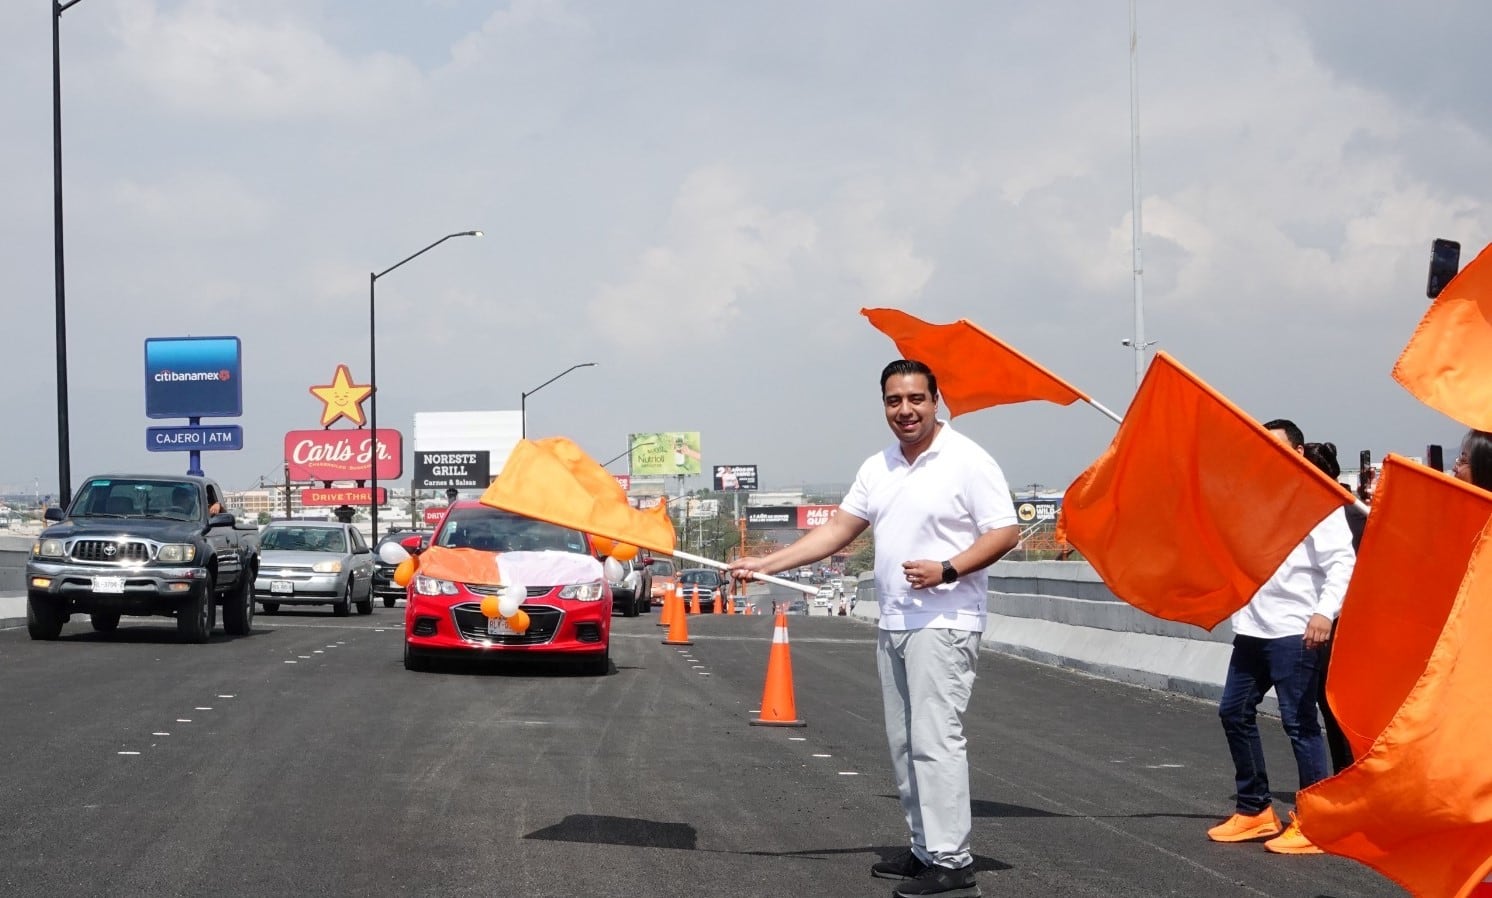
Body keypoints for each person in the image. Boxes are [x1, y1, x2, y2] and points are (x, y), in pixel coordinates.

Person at [728, 359, 1019, 898]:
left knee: (936, 742)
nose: (905, 411)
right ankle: (924, 849)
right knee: (905, 743)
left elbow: (1005, 531)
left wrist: (948, 568)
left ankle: (953, 861)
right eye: (894, 401)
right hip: (895, 620)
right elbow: (837, 531)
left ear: (937, 401)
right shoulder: (879, 466)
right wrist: (765, 564)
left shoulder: (967, 460)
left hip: (945, 620)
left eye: (916, 399)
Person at [1207, 420, 1356, 855]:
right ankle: (1254, 810)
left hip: (1297, 631)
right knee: (1233, 712)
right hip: (1253, 629)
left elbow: (1341, 563)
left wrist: (1323, 613)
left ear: (1299, 450)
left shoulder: (1316, 501)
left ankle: (1315, 823)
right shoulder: (1251, 500)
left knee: (1299, 723)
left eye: (1278, 448)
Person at [1300, 441, 1359, 775]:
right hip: (1341, 619)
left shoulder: (1341, 514)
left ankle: (1346, 775)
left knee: (1333, 706)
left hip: (1339, 622)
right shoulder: (1358, 509)